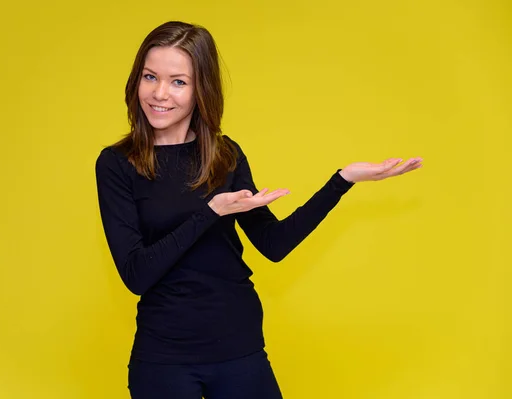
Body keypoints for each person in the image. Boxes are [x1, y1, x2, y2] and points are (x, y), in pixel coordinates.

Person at [95, 20, 422, 399]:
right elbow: (136, 274)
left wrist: (342, 181)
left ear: (202, 88)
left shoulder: (225, 155)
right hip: (165, 358)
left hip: (239, 348)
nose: (159, 93)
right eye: (150, 77)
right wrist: (210, 212)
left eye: (178, 81)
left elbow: (273, 243)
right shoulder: (118, 164)